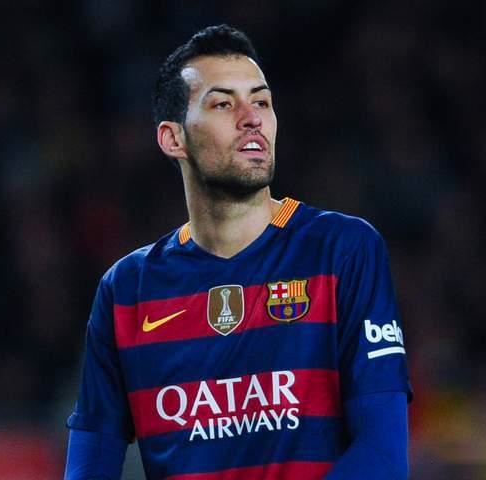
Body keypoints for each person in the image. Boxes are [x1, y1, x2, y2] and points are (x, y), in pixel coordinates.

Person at [65, 24, 412, 480]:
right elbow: (89, 466)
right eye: (223, 104)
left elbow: (384, 457)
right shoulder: (127, 290)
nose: (252, 118)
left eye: (261, 102)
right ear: (173, 139)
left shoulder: (342, 251)